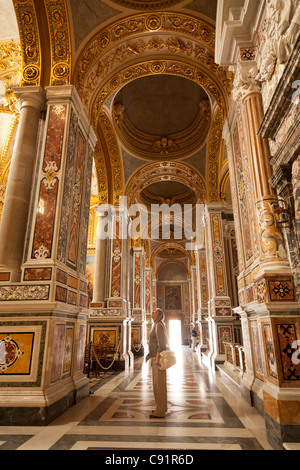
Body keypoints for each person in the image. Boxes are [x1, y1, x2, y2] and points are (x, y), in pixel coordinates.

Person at [146, 308, 169, 418]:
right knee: (157, 384)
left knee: (158, 385)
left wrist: (157, 357)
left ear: (158, 314)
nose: (152, 312)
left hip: (157, 359)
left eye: (154, 311)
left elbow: (162, 344)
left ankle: (160, 412)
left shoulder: (159, 325)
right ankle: (161, 407)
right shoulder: (156, 324)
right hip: (154, 356)